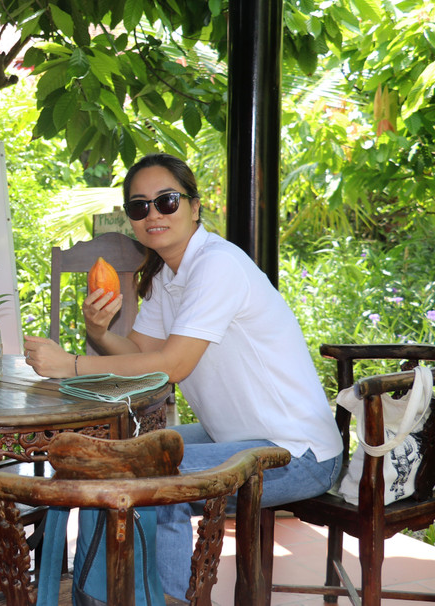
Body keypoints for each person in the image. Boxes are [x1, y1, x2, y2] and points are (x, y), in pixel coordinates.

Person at [23, 153, 343, 600]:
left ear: (194, 207)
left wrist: (71, 364)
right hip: (232, 437)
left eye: (166, 201)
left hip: (297, 453)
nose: (153, 214)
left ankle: (165, 599)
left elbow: (172, 367)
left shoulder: (218, 265)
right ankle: (112, 595)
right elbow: (140, 356)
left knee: (154, 479)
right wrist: (98, 332)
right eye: (140, 206)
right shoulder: (167, 277)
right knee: (113, 457)